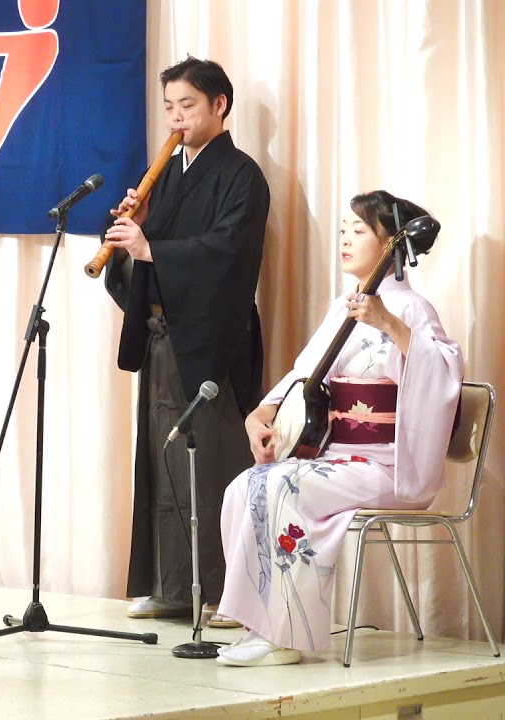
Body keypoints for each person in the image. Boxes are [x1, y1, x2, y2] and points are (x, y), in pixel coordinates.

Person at [215, 192, 462, 666]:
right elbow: (304, 373)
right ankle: (258, 622)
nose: (345, 239)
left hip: (388, 464)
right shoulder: (343, 306)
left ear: (390, 241)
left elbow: (443, 373)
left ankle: (285, 636)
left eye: (359, 231)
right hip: (337, 457)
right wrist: (261, 412)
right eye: (343, 229)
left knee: (284, 486)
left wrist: (390, 324)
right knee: (243, 487)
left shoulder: (411, 308)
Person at [103, 57, 270, 623]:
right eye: (169, 107)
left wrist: (154, 249)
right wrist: (138, 231)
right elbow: (143, 263)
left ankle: (228, 593)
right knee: (162, 463)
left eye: (188, 105)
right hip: (160, 335)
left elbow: (229, 253)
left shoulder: (241, 175)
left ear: (219, 105)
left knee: (214, 465)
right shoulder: (168, 175)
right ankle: (172, 586)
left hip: (212, 342)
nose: (176, 117)